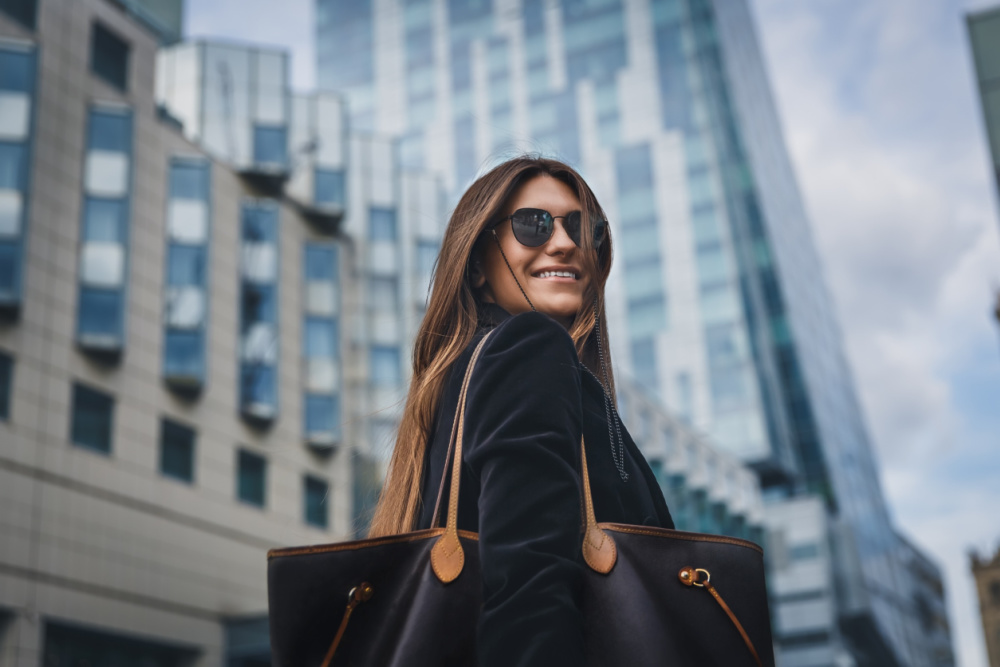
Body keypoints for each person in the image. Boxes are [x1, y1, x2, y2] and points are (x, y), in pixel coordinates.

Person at [367, 156, 674, 666]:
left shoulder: (465, 385)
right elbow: (529, 593)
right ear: (478, 269)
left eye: (584, 228)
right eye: (533, 225)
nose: (566, 243)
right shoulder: (530, 350)